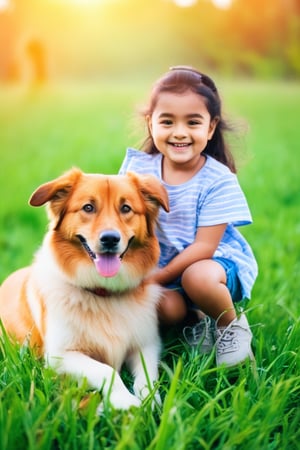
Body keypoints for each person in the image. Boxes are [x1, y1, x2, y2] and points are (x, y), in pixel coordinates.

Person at [119, 66, 258, 367]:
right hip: (162, 268)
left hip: (213, 267)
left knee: (198, 277)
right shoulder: (139, 171)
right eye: (167, 121)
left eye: (193, 122)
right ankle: (195, 320)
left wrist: (158, 276)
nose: (179, 132)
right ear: (150, 123)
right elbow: (121, 222)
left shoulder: (217, 179)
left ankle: (229, 325)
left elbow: (203, 249)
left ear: (210, 127)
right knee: (163, 308)